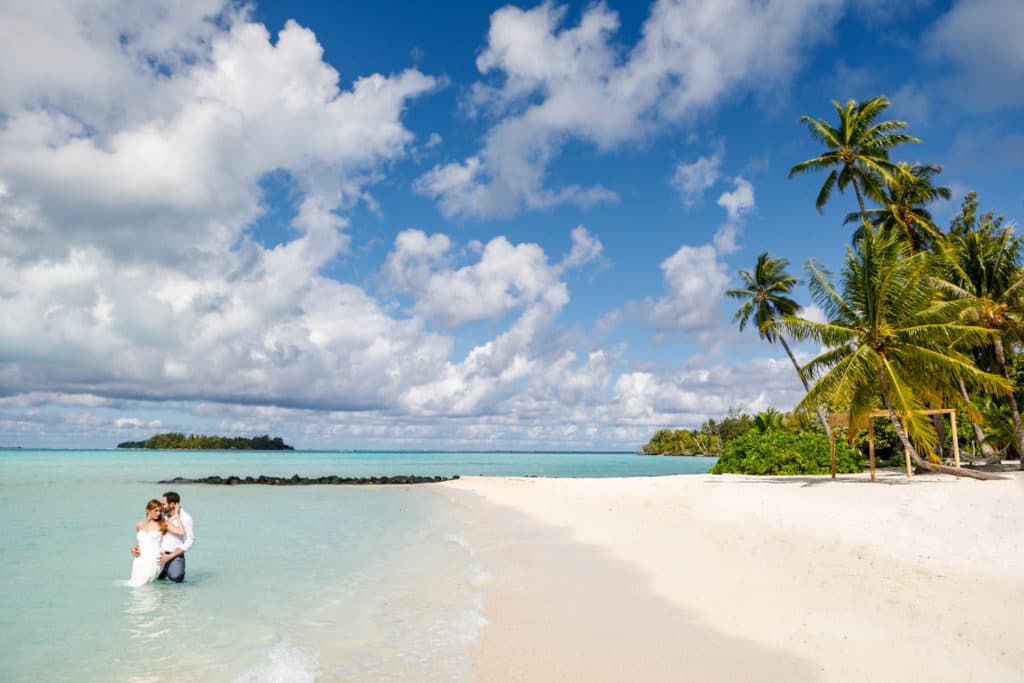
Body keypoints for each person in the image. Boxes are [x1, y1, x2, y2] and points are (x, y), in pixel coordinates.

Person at [130, 491, 195, 583]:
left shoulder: (186, 518)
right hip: (158, 553)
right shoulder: (161, 516)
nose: (160, 508)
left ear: (172, 504)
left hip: (173, 554)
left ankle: (167, 569)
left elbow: (189, 541)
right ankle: (163, 571)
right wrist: (135, 547)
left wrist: (170, 556)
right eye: (157, 509)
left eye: (163, 504)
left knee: (176, 578)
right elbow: (149, 536)